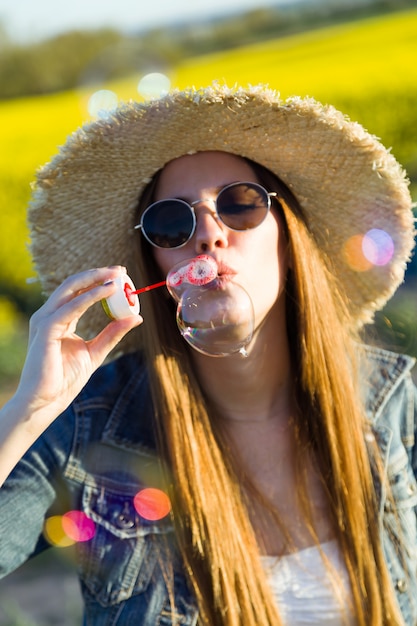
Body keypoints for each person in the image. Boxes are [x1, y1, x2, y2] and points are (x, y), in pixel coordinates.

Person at [0, 83, 416, 626]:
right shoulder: (86, 426)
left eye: (240, 204)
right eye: (172, 223)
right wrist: (31, 409)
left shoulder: (398, 400)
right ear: (154, 264)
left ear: (289, 240)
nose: (208, 235)